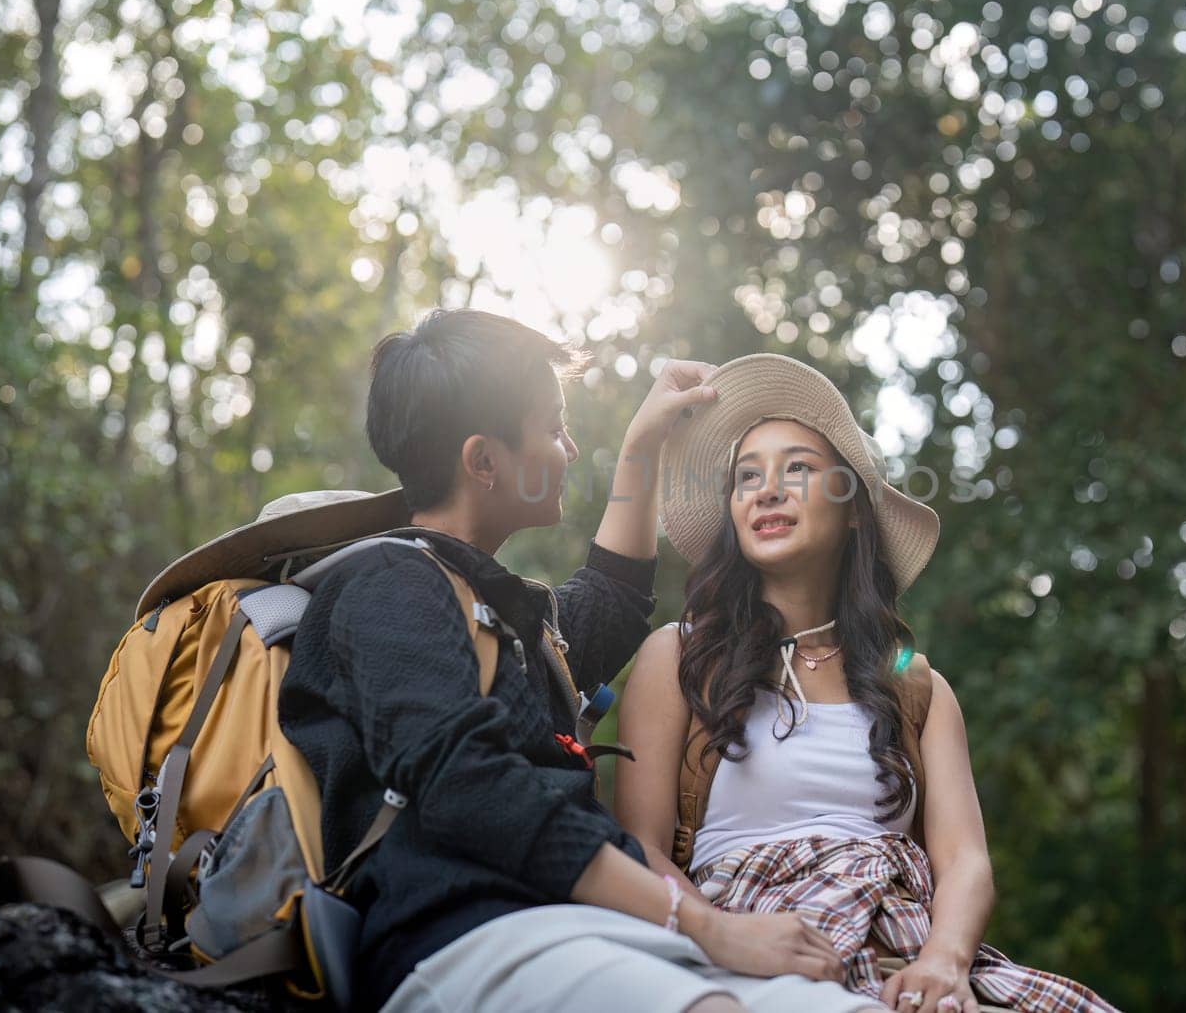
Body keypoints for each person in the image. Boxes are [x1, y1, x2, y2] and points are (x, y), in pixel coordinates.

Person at [280, 312, 886, 1013]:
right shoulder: (388, 586)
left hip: (589, 932)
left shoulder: (493, 619)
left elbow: (612, 600)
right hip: (466, 938)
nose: (569, 447)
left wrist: (645, 441)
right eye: (552, 427)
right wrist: (706, 923)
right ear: (483, 460)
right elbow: (468, 785)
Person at [614, 353, 1118, 1013]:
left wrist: (944, 962)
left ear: (854, 510)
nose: (768, 489)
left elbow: (965, 860)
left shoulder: (914, 685)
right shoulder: (679, 656)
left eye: (797, 467)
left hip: (905, 953)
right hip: (745, 945)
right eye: (746, 476)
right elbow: (638, 848)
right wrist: (722, 934)